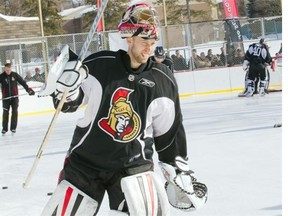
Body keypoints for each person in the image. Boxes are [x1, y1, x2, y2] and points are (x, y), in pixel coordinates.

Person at [45, 3, 207, 215]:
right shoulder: (98, 65)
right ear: (129, 38)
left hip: (133, 168)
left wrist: (177, 167)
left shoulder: (163, 82)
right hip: (85, 163)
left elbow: (169, 133)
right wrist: (67, 89)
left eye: (153, 41)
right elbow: (68, 103)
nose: (149, 47)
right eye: (144, 41)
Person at [0, 63, 35, 134]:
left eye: (9, 70)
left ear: (11, 69)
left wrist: (28, 90)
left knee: (14, 112)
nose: (8, 71)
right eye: (7, 70)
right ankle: (4, 129)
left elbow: (22, 82)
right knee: (5, 113)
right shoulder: (1, 76)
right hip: (5, 98)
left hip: (14, 97)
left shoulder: (15, 75)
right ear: (4, 69)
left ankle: (13, 128)